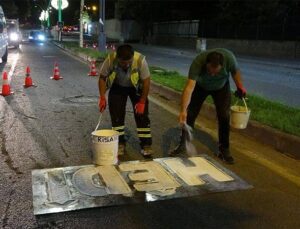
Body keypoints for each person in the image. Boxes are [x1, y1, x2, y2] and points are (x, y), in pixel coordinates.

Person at [169, 48, 247, 164]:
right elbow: (189, 87)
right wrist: (183, 110)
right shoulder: (198, 62)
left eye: (216, 72)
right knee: (189, 115)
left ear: (222, 65)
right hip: (201, 87)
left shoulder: (230, 59)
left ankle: (224, 149)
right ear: (206, 64)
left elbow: (235, 72)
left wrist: (240, 87)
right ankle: (183, 145)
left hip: (221, 88)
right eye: (210, 71)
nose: (212, 74)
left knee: (224, 116)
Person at [98, 44, 152, 157]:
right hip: (118, 87)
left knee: (142, 116)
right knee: (116, 115)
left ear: (132, 57)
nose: (126, 65)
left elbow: (146, 82)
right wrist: (102, 97)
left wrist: (142, 101)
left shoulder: (140, 60)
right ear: (118, 58)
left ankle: (146, 145)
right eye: (123, 62)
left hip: (136, 88)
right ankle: (120, 143)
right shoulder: (110, 60)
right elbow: (102, 78)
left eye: (129, 62)